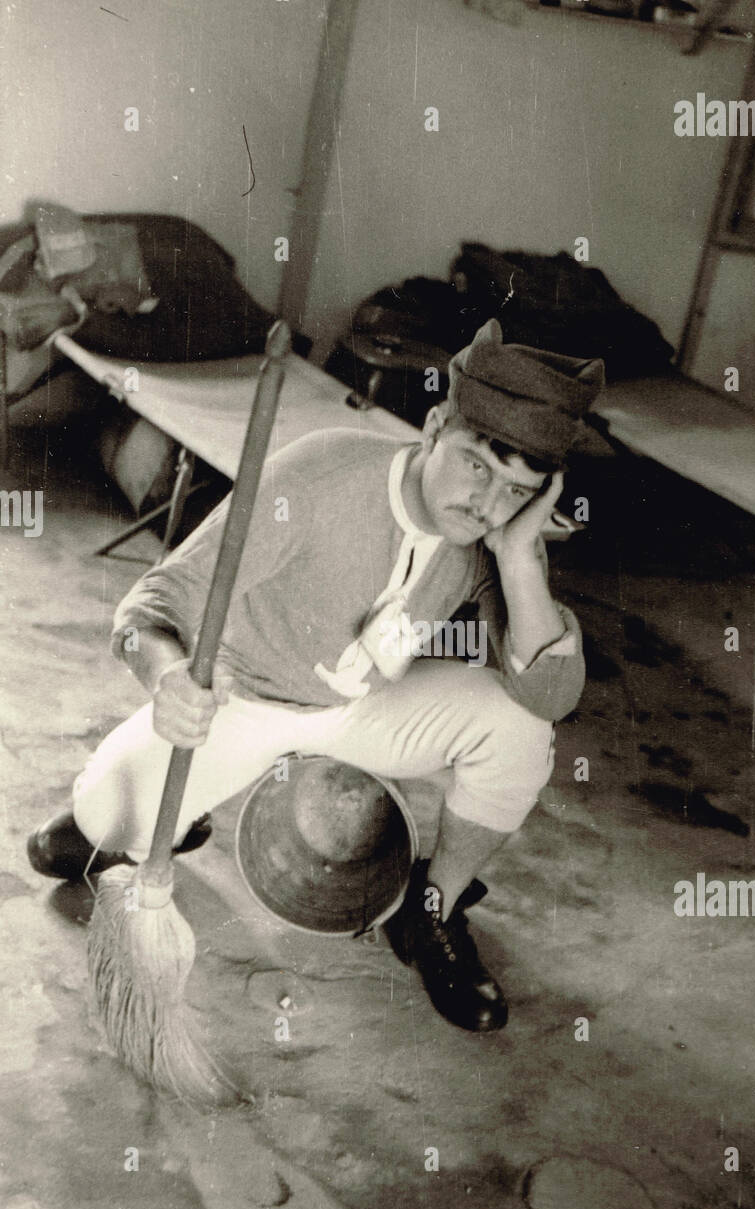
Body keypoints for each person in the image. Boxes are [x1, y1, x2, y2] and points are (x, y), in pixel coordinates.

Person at [28, 319, 604, 1033]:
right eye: (476, 465)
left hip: (365, 707)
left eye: (518, 490)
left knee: (519, 730)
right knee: (93, 824)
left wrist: (519, 556)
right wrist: (169, 677)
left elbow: (549, 696)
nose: (488, 502)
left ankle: (433, 909)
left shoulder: (499, 532)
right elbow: (153, 602)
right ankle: (167, 811)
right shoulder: (321, 475)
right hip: (243, 700)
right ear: (432, 427)